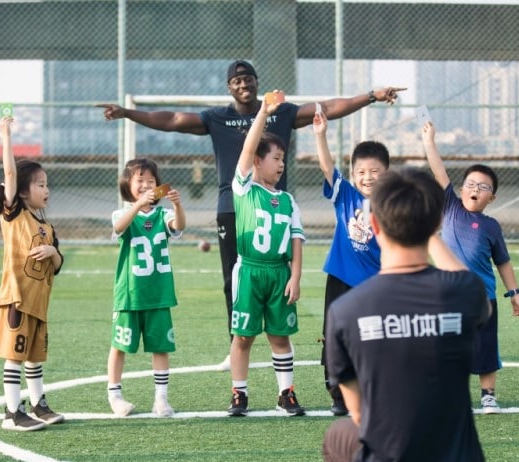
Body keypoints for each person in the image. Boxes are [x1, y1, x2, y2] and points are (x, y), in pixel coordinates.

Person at [98, 60, 404, 370]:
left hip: (274, 212)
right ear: (229, 87)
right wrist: (127, 113)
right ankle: (237, 344)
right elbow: (174, 118)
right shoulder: (218, 118)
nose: (243, 85)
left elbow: (326, 106)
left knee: (279, 275)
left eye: (249, 79)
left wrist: (371, 95)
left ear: (258, 82)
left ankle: (279, 337)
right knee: (234, 280)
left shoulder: (282, 112)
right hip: (233, 210)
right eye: (237, 81)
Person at [322, 168, 491, 462]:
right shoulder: (465, 293)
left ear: (374, 225)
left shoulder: (345, 311)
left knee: (339, 434)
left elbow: (360, 415)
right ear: (437, 224)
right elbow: (469, 284)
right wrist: (431, 234)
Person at [422, 120, 519, 414]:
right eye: (470, 184)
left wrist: (514, 292)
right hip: (448, 294)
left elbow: (503, 262)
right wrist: (430, 141)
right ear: (461, 188)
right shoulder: (451, 207)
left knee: (485, 346)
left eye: (483, 187)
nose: (475, 189)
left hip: (484, 298)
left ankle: (488, 395)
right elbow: (438, 171)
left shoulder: (492, 226)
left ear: (491, 197)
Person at [226, 92, 305, 417]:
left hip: (279, 272)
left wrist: (296, 276)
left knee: (279, 335)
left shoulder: (288, 201)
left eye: (284, 160)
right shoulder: (245, 188)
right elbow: (248, 147)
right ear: (258, 161)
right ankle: (239, 393)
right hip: (249, 271)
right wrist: (264, 112)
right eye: (277, 158)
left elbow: (297, 241)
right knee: (243, 337)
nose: (281, 164)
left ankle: (285, 392)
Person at [311, 107, 390, 416]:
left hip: (375, 284)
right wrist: (320, 135)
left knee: (373, 337)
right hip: (341, 278)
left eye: (375, 172)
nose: (367, 177)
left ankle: (374, 389)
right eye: (361, 172)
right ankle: (337, 391)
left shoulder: (392, 202)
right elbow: (327, 167)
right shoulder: (345, 194)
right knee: (335, 334)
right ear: (353, 174)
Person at [0, 116, 65, 432]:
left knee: (35, 357)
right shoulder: (14, 215)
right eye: (40, 184)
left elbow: (58, 265)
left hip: (40, 305)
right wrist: (6, 135)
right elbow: (9, 172)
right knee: (15, 356)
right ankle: (12, 412)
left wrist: (52, 252)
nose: (46, 189)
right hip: (18, 300)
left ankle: (39, 405)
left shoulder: (47, 228)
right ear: (21, 192)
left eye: (47, 184)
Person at [106, 158, 186, 418]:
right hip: (130, 295)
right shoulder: (122, 213)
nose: (146, 185)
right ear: (127, 185)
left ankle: (161, 398)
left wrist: (177, 204)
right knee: (120, 345)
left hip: (159, 293)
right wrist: (138, 205)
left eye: (151, 181)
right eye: (139, 180)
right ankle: (115, 395)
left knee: (160, 346)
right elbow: (119, 227)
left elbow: (179, 226)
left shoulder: (163, 214)